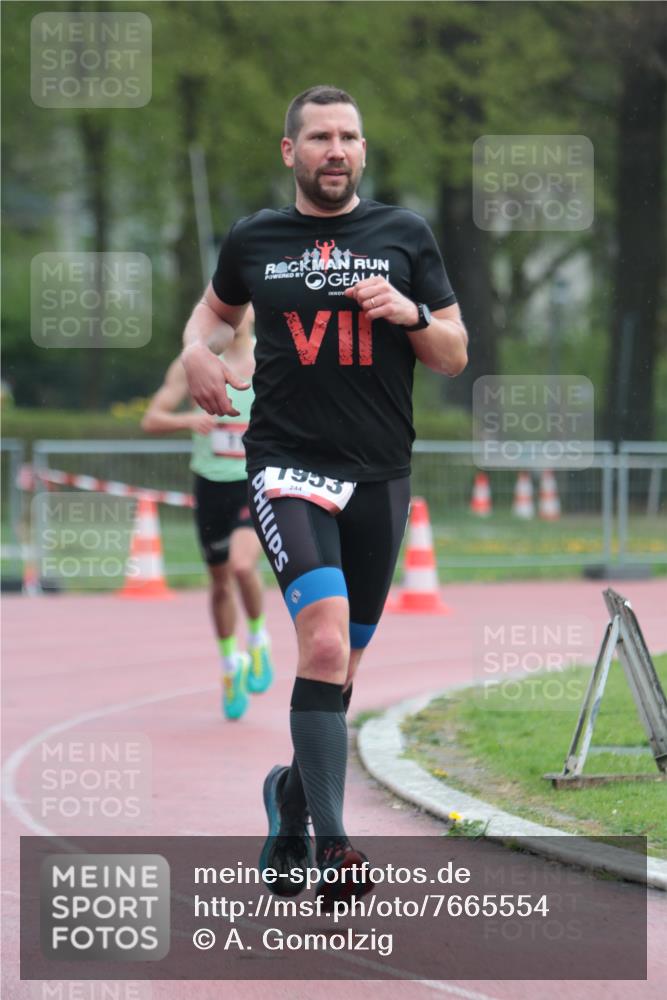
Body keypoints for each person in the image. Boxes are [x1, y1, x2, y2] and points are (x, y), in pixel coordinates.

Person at [180, 85, 467, 906]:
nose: (334, 150)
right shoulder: (255, 239)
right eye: (318, 138)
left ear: (363, 151)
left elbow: (452, 353)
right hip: (287, 466)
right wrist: (197, 353)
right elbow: (210, 318)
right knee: (325, 647)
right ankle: (334, 847)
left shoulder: (404, 236)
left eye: (347, 137)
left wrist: (409, 311)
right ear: (291, 152)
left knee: (340, 673)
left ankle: (290, 796)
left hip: (380, 475)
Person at [142, 311, 274, 721]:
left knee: (241, 566)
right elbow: (152, 418)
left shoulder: (272, 358)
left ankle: (258, 638)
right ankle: (230, 664)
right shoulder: (196, 361)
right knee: (219, 582)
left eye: (246, 304)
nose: (238, 313)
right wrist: (187, 418)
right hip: (211, 485)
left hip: (254, 482)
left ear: (255, 310)